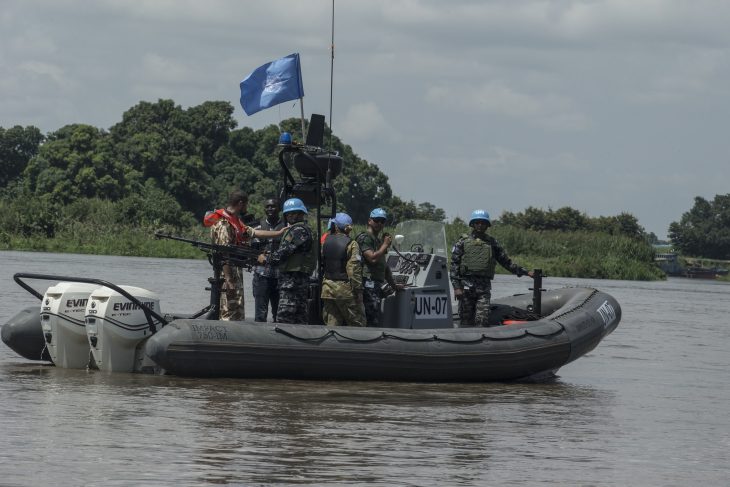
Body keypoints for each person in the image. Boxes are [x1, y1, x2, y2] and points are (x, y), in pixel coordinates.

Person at [204, 190, 284, 321]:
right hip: (227, 273)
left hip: (235, 272)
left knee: (238, 311)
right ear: (240, 203)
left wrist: (277, 233)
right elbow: (224, 254)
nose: (246, 208)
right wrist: (229, 280)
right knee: (228, 311)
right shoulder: (224, 223)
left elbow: (253, 232)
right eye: (246, 205)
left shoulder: (235, 221)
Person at [450, 209, 533, 327]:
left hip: (483, 288)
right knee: (466, 321)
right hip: (466, 288)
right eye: (477, 222)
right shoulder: (462, 242)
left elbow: (506, 262)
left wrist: (526, 272)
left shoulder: (492, 243)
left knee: (482, 320)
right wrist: (456, 287)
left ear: (487, 225)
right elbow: (454, 266)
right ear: (473, 224)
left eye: (483, 223)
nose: (480, 225)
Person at [257, 197, 315, 324]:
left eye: (294, 213)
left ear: (301, 214)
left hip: (292, 282)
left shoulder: (298, 230)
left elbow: (281, 255)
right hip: (297, 281)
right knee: (299, 318)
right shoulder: (302, 229)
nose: (291, 216)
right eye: (288, 213)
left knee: (284, 318)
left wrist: (265, 258)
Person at [356, 208, 402, 327]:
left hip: (376, 283)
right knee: (371, 318)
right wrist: (385, 245)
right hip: (368, 282)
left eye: (382, 221)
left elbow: (384, 266)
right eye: (377, 220)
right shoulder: (365, 238)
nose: (380, 224)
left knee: (375, 316)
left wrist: (394, 285)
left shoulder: (377, 240)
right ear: (370, 221)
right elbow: (372, 258)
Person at [321, 213, 365, 327]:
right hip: (345, 291)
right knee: (357, 324)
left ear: (335, 226)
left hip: (327, 289)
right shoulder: (352, 244)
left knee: (332, 324)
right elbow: (353, 270)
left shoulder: (326, 241)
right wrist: (358, 291)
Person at [250, 198, 285, 322]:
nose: (270, 209)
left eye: (273, 206)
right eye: (267, 206)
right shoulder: (256, 225)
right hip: (261, 275)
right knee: (260, 314)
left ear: (279, 209)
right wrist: (257, 255)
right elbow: (249, 247)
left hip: (280, 276)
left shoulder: (286, 226)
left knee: (279, 314)